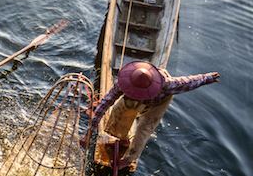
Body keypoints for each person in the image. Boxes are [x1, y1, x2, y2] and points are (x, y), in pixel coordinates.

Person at [80, 61, 219, 170]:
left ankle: (128, 160)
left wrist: (207, 78)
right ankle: (123, 139)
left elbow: (189, 82)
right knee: (118, 112)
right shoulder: (122, 85)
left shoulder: (168, 84)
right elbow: (104, 105)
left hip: (157, 103)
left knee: (144, 128)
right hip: (131, 98)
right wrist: (88, 134)